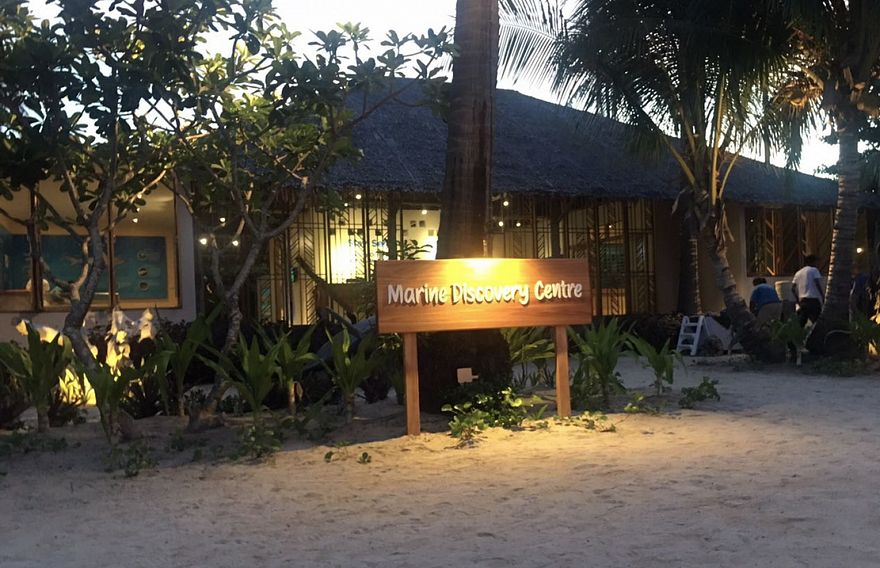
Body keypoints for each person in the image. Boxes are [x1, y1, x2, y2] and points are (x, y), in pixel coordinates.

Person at [791, 254, 824, 326]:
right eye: (817, 262)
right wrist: (822, 296)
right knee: (817, 323)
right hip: (813, 300)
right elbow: (817, 283)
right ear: (813, 262)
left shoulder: (798, 273)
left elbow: (793, 289)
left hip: (803, 301)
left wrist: (798, 300)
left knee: (802, 322)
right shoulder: (814, 270)